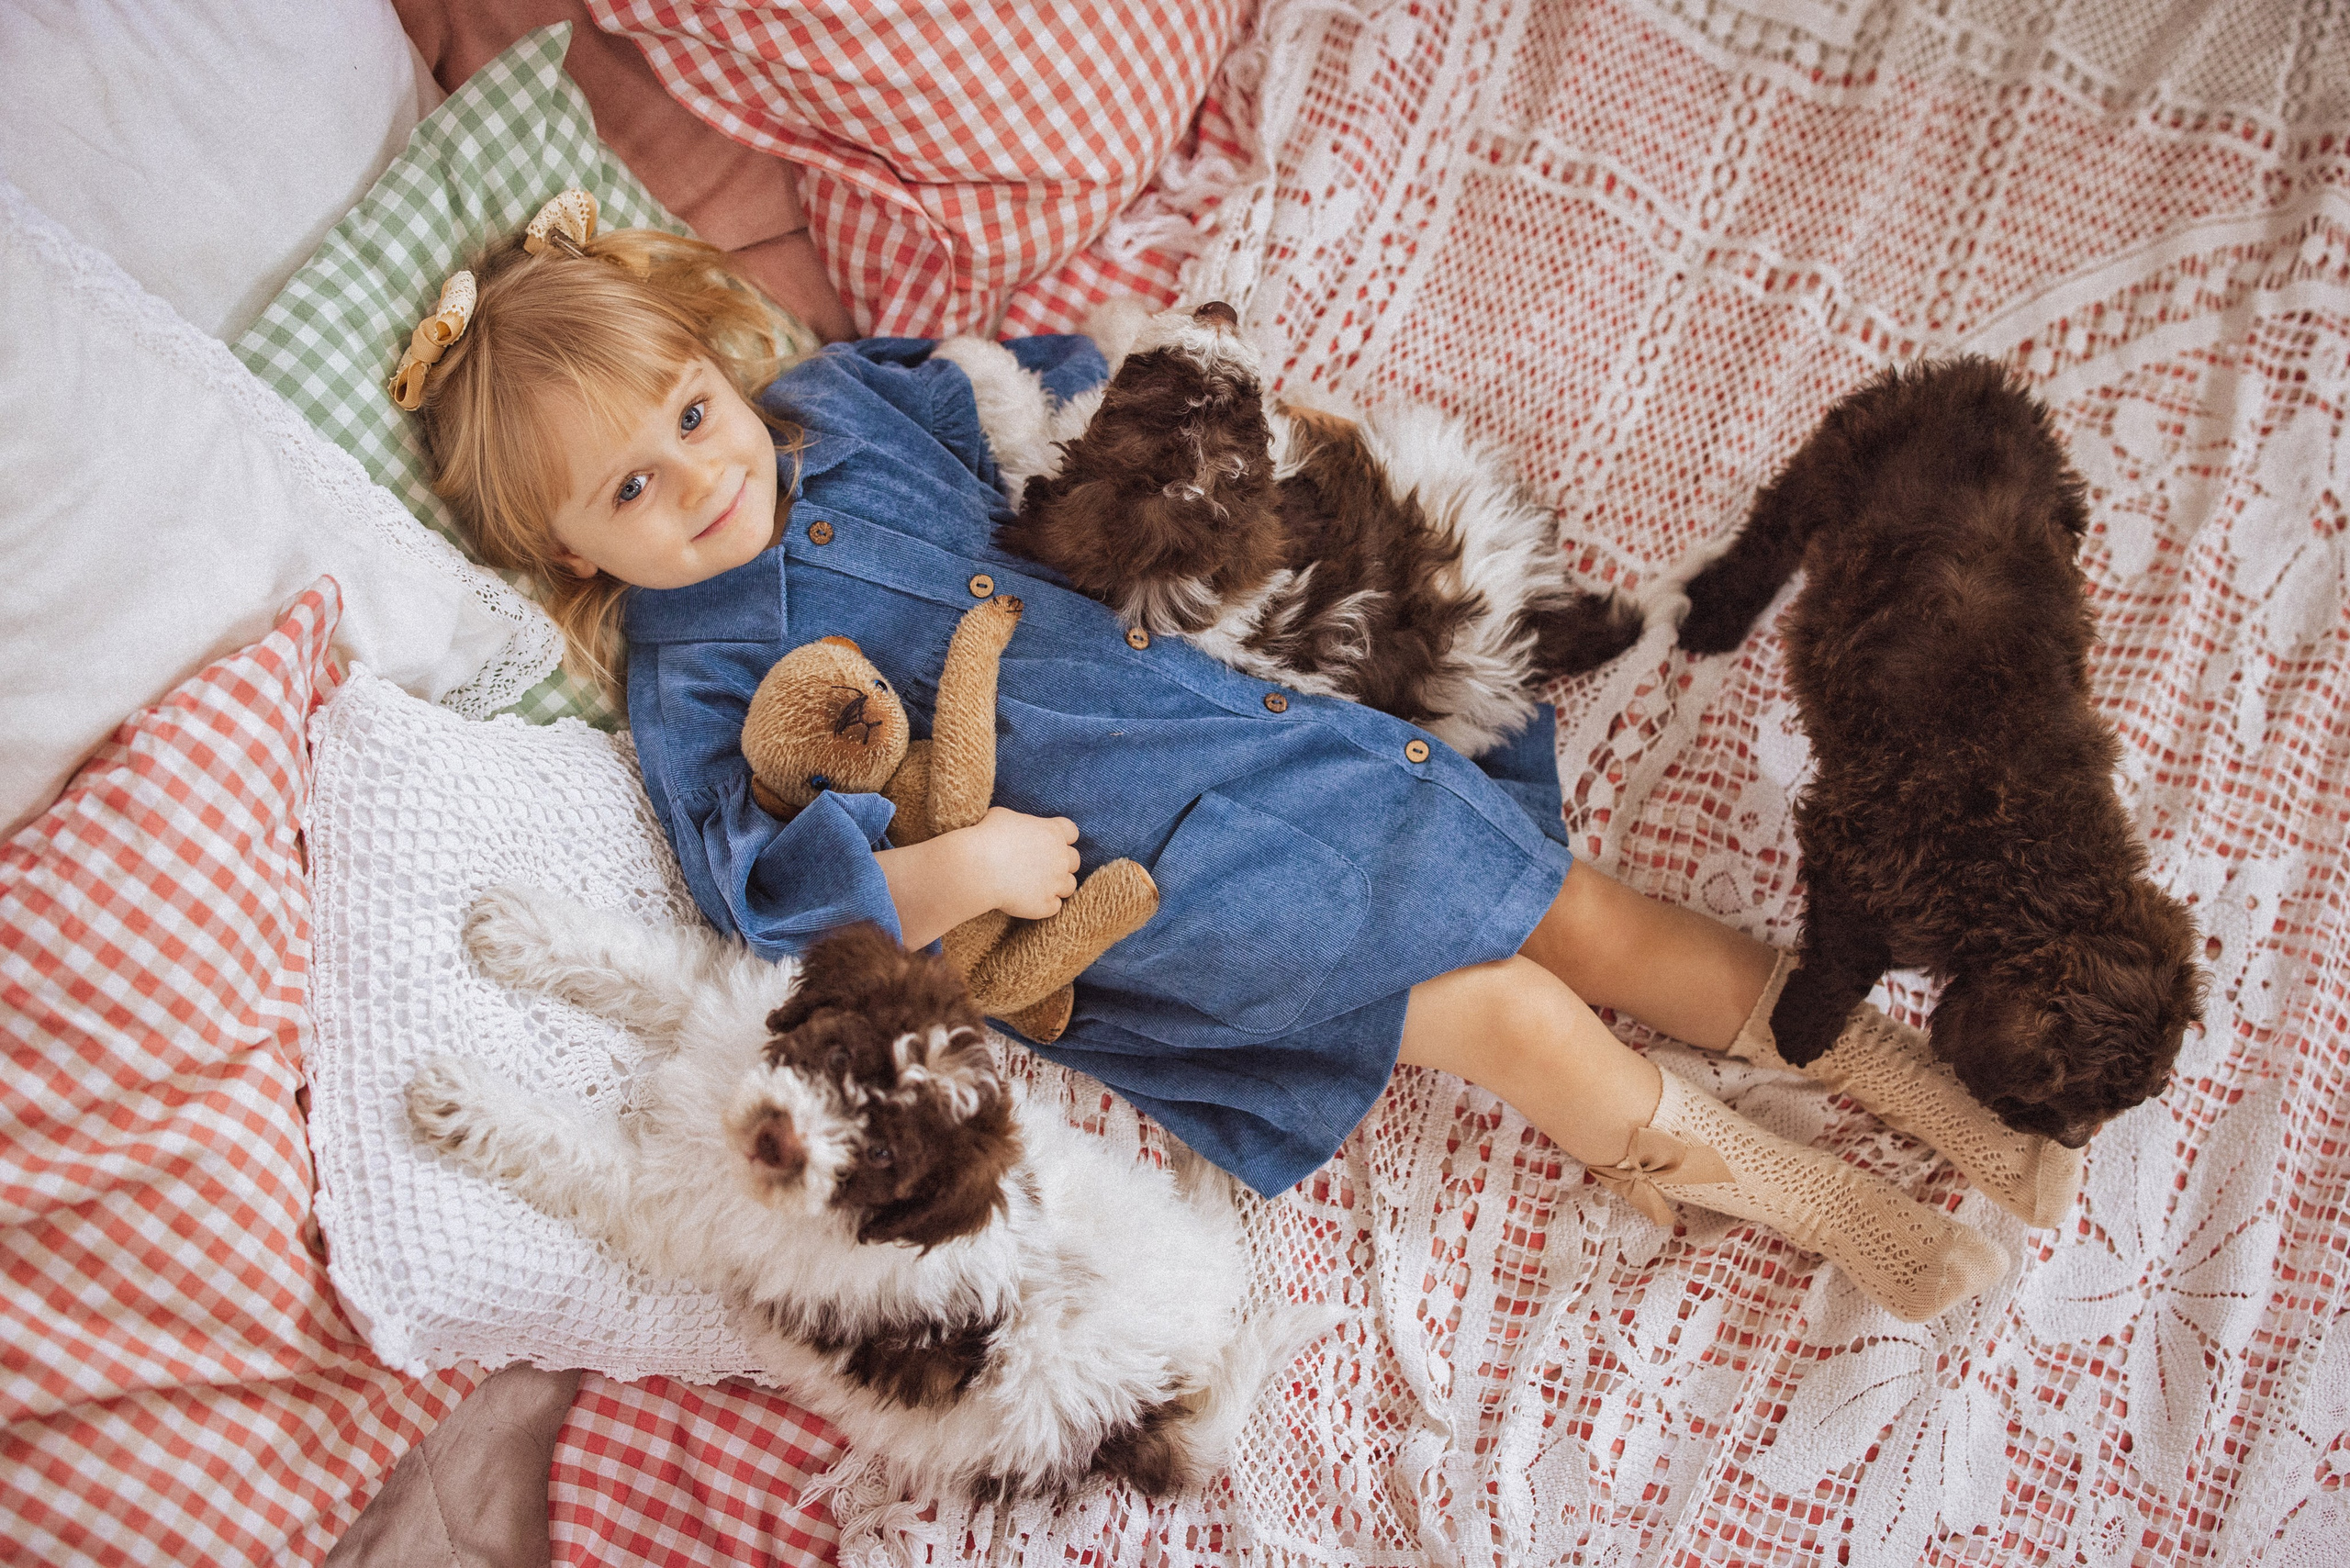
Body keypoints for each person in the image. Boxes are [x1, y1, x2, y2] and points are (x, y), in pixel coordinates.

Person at [403, 192, 2046, 1324]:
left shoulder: (836, 403)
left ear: (715, 365)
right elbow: (764, 901)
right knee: (1516, 1015)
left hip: (1253, 731)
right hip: (1155, 896)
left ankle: (1919, 1092)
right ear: (571, 555)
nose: (693, 480)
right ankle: (1826, 1207)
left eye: (689, 414)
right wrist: (956, 869)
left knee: (1588, 917)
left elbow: (1046, 400)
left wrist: (1225, 433)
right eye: (625, 490)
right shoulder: (689, 676)